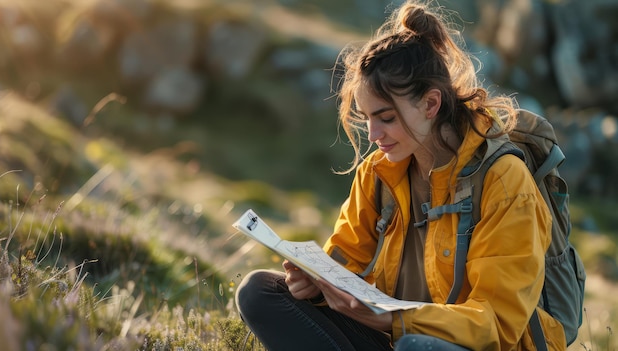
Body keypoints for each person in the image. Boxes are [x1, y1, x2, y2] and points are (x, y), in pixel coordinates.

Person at [235, 0, 567, 350]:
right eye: (366, 118)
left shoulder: (504, 181)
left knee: (417, 346)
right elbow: (343, 263)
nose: (374, 134)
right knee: (260, 292)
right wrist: (316, 286)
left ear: (431, 104)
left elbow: (497, 325)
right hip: (397, 338)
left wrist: (396, 319)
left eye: (386, 118)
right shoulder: (378, 173)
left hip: (472, 346)